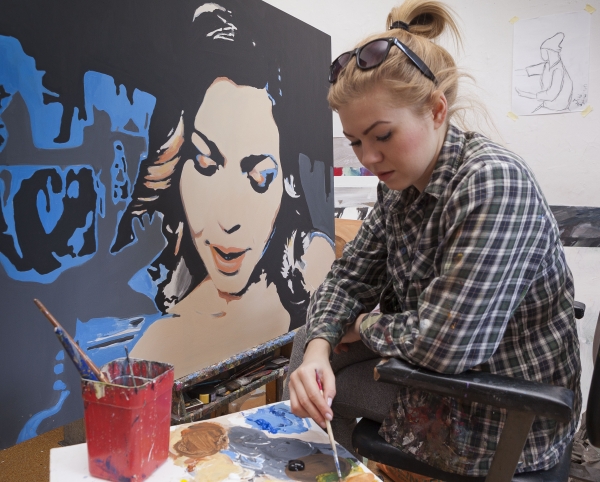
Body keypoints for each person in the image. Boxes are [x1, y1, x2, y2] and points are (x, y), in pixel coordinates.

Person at [286, 0, 581, 477]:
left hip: (496, 408)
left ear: (437, 110)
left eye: (382, 135)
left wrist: (363, 325)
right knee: (307, 350)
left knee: (321, 390)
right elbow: (348, 276)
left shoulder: (492, 182)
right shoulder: (398, 191)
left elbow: (447, 344)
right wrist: (320, 344)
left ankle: (320, 467)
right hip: (442, 370)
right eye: (356, 141)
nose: (368, 158)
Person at [128, 76, 335, 378]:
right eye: (205, 164)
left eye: (260, 177)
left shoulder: (312, 261)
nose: (228, 222)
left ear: (287, 181)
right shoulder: (155, 344)